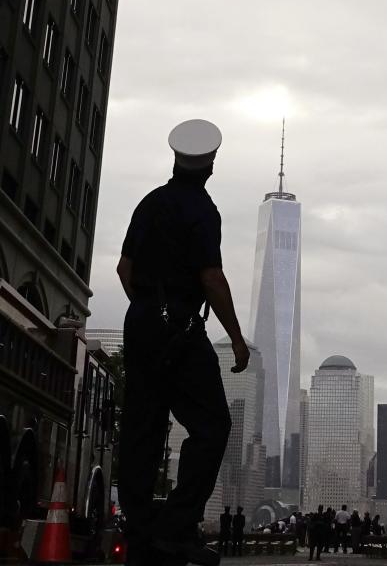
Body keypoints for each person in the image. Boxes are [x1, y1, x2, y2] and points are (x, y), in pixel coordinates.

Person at [117, 120, 249, 566]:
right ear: (211, 165)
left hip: (140, 322)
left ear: (175, 159)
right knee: (212, 426)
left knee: (142, 428)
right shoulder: (203, 211)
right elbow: (211, 277)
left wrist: (148, 310)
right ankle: (175, 527)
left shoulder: (149, 203)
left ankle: (139, 534)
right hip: (181, 325)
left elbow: (123, 270)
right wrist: (236, 339)